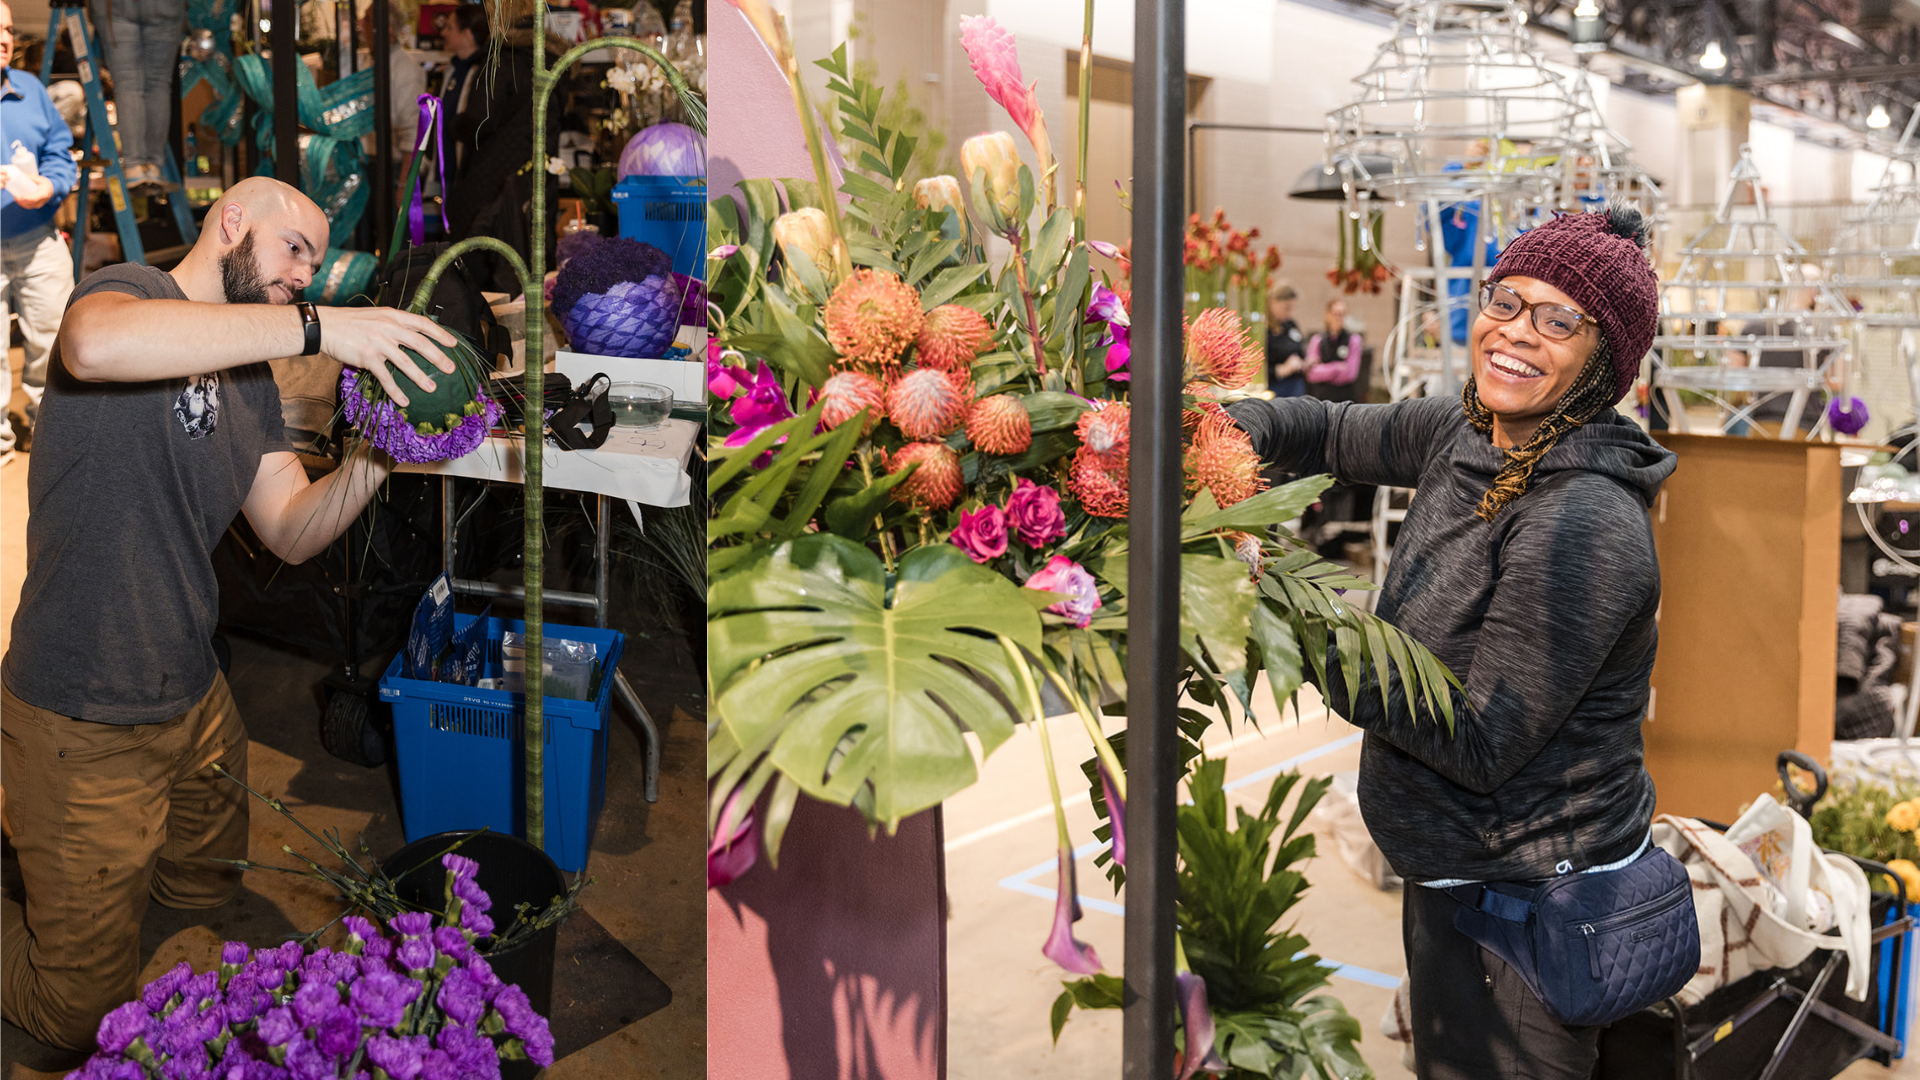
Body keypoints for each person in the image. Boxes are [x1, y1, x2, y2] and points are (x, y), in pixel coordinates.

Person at [0, 176, 457, 1051]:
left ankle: (64, 869)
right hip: (83, 707)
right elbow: (93, 347)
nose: (305, 275)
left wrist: (379, 456)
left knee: (203, 892)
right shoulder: (129, 291)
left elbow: (290, 529)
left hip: (195, 694)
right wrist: (324, 327)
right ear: (233, 221)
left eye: (317, 265)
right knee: (75, 1018)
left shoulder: (250, 382)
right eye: (295, 249)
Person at [1227, 206, 1675, 1079]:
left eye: (1558, 320)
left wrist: (1280, 611)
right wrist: (1224, 432)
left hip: (1528, 907)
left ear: (1605, 361)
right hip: (1458, 875)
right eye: (1506, 301)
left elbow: (1475, 738)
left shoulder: (1584, 520)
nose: (1516, 332)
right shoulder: (1467, 432)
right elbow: (1330, 432)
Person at [0, 0, 78, 464]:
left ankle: (50, 434)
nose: (4, 38)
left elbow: (59, 153)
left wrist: (50, 184)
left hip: (36, 235)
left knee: (55, 337)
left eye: (8, 29)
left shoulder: (29, 88)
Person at [86, 0, 183, 193]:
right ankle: (153, 167)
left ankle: (135, 167)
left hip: (116, 7)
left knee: (128, 85)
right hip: (165, 7)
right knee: (158, 84)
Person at [1304, 297, 1366, 403]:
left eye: (1342, 314)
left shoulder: (1353, 340)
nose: (1339, 318)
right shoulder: (1317, 340)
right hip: (1322, 399)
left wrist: (1323, 370)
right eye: (1336, 314)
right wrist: (1337, 367)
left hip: (1345, 399)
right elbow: (1311, 374)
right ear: (1327, 315)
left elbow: (1350, 374)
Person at [1264, 279, 1307, 398]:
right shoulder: (1263, 330)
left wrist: (1305, 363)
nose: (1289, 314)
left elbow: (1300, 350)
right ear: (1273, 302)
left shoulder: (1291, 325)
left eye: (1292, 308)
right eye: (1286, 308)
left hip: (1295, 386)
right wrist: (1281, 370)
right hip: (1274, 388)